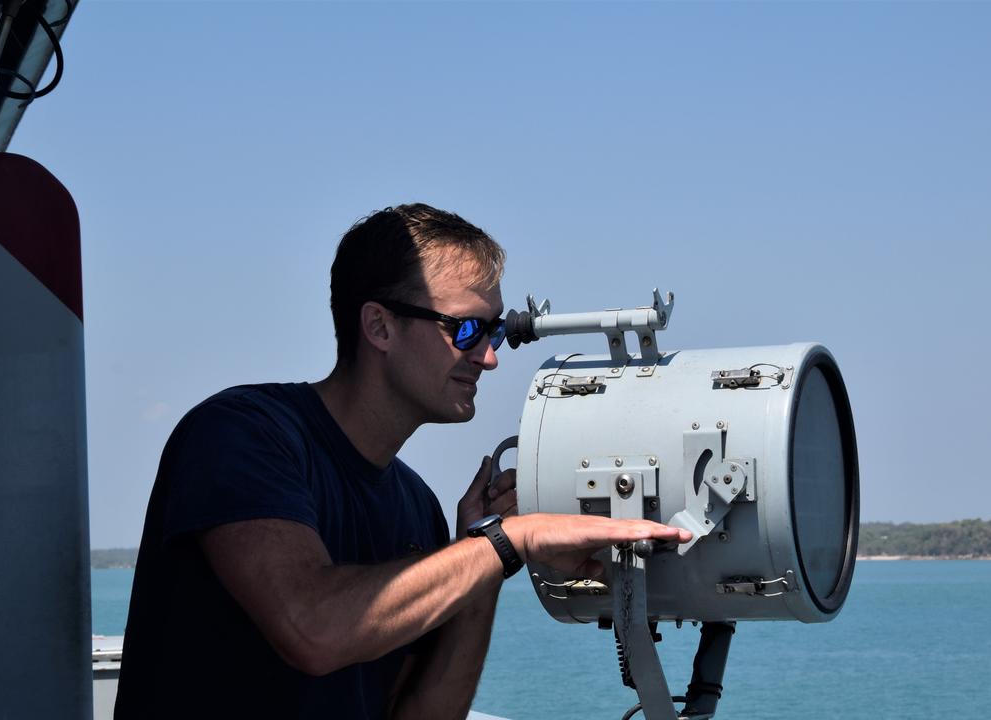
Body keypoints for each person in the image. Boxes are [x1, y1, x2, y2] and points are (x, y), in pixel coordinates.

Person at [113, 204, 692, 719]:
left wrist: (484, 559)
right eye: (465, 329)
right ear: (379, 326)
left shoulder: (414, 504)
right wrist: (511, 540)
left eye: (493, 331)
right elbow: (311, 627)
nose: (489, 357)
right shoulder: (242, 433)